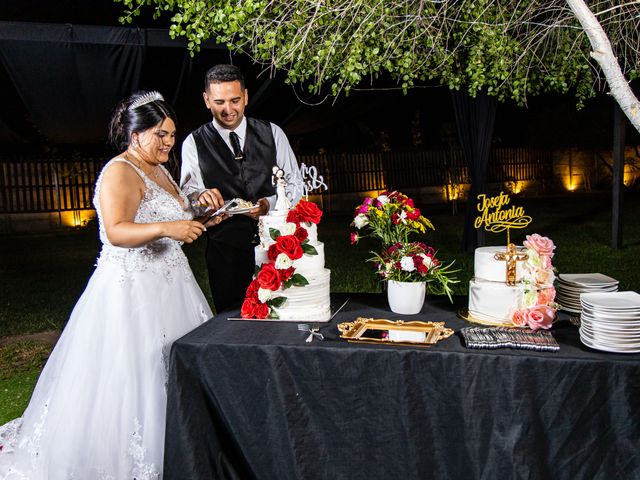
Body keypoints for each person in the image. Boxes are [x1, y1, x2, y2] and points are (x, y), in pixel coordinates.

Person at [0, 91, 217, 479]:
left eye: (171, 134)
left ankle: (183, 444)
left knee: (176, 367)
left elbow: (175, 211)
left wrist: (200, 214)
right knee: (135, 374)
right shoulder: (120, 171)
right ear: (136, 134)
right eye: (161, 134)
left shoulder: (160, 169)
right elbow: (116, 231)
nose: (169, 142)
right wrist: (170, 227)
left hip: (173, 286)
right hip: (133, 292)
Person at [180, 64, 303, 313]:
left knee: (282, 315)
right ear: (206, 100)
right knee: (232, 320)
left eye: (235, 100)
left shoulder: (273, 133)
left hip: (275, 246)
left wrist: (269, 204)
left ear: (245, 96)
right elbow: (189, 196)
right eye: (219, 102)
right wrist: (201, 198)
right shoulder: (193, 142)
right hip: (224, 251)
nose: (228, 110)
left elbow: (295, 184)